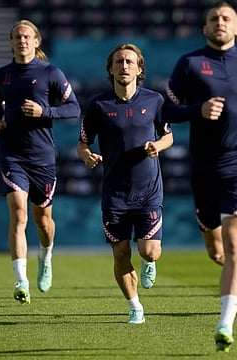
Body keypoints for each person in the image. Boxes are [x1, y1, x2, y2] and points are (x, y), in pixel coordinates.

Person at [162, 1, 237, 352]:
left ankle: (225, 324)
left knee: (234, 243)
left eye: (226, 18)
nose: (220, 22)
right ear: (205, 28)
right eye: (213, 18)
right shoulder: (188, 64)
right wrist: (195, 110)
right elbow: (166, 108)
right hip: (203, 168)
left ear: (236, 29)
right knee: (217, 251)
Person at [77, 43, 172, 324]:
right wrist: (87, 156)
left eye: (130, 61)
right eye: (119, 62)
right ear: (111, 68)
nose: (124, 66)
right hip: (115, 193)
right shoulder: (98, 105)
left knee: (149, 250)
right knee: (120, 253)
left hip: (148, 191)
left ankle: (149, 262)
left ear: (139, 68)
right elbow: (83, 143)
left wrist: (157, 145)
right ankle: (135, 307)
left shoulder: (154, 101)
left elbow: (169, 136)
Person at [0, 19, 81, 304]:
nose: (22, 41)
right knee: (19, 214)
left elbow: (73, 108)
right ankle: (21, 281)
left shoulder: (50, 73)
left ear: (36, 41)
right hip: (12, 155)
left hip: (42, 157)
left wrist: (44, 110)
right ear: (11, 42)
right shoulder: (2, 75)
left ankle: (46, 255)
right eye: (17, 37)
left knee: (43, 221)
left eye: (27, 37)